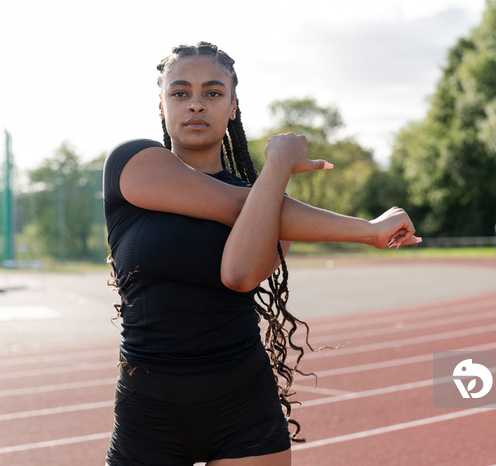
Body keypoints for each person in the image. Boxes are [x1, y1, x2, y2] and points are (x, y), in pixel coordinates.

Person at [103, 41, 419, 466]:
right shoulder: (132, 162)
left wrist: (274, 180)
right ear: (161, 106)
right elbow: (235, 204)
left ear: (233, 106)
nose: (196, 104)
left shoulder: (270, 206)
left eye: (213, 93)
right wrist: (367, 230)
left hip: (243, 406)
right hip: (150, 411)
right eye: (180, 92)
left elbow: (238, 275)